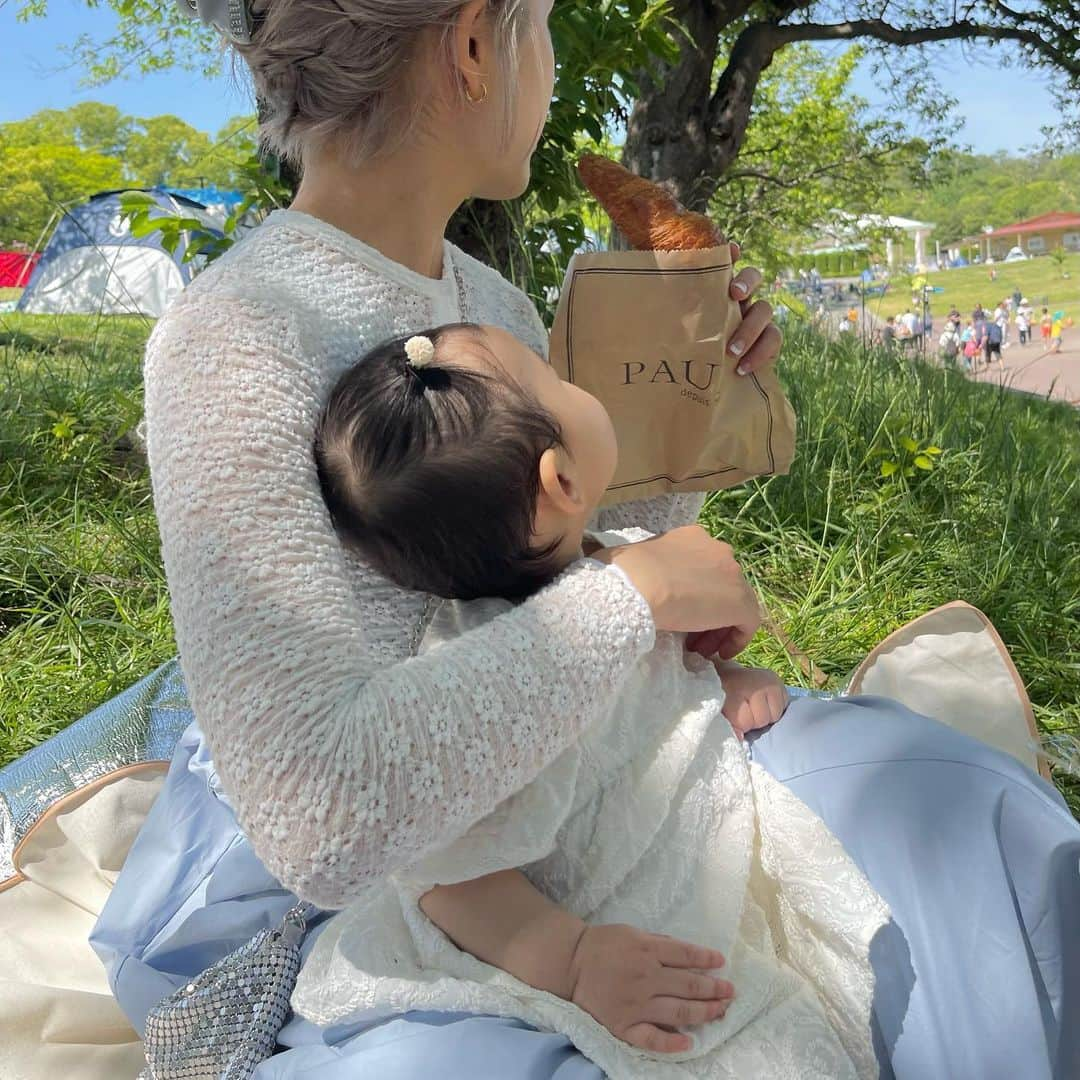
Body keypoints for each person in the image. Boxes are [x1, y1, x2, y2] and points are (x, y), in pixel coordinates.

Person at [86, 2, 1080, 1077]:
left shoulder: (495, 304)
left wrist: (693, 394)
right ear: (476, 46)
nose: (552, 73)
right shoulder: (236, 339)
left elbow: (584, 529)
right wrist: (637, 598)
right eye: (543, 29)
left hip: (612, 768)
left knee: (963, 813)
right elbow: (322, 814)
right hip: (426, 884)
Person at [299, 322, 888, 1074]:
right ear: (562, 484)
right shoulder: (487, 671)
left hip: (688, 862)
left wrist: (719, 685)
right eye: (554, 378)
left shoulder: (623, 570)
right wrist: (573, 961)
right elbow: (450, 874)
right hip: (581, 928)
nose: (579, 383)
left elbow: (649, 697)